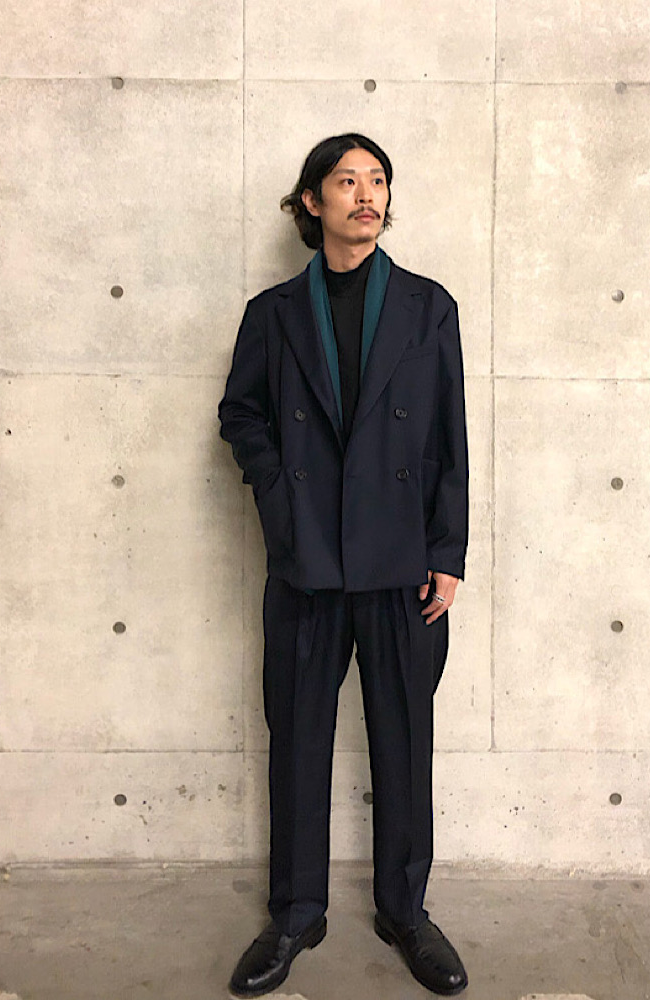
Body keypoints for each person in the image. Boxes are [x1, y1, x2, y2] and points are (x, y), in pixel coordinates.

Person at [218, 132, 469, 997]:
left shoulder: (430, 306)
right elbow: (240, 414)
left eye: (377, 180)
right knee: (298, 738)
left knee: (404, 739)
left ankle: (406, 911)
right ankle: (296, 913)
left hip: (402, 563)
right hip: (307, 562)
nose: (366, 194)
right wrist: (278, 496)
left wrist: (447, 552)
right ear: (312, 202)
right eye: (346, 180)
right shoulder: (274, 313)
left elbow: (448, 436)